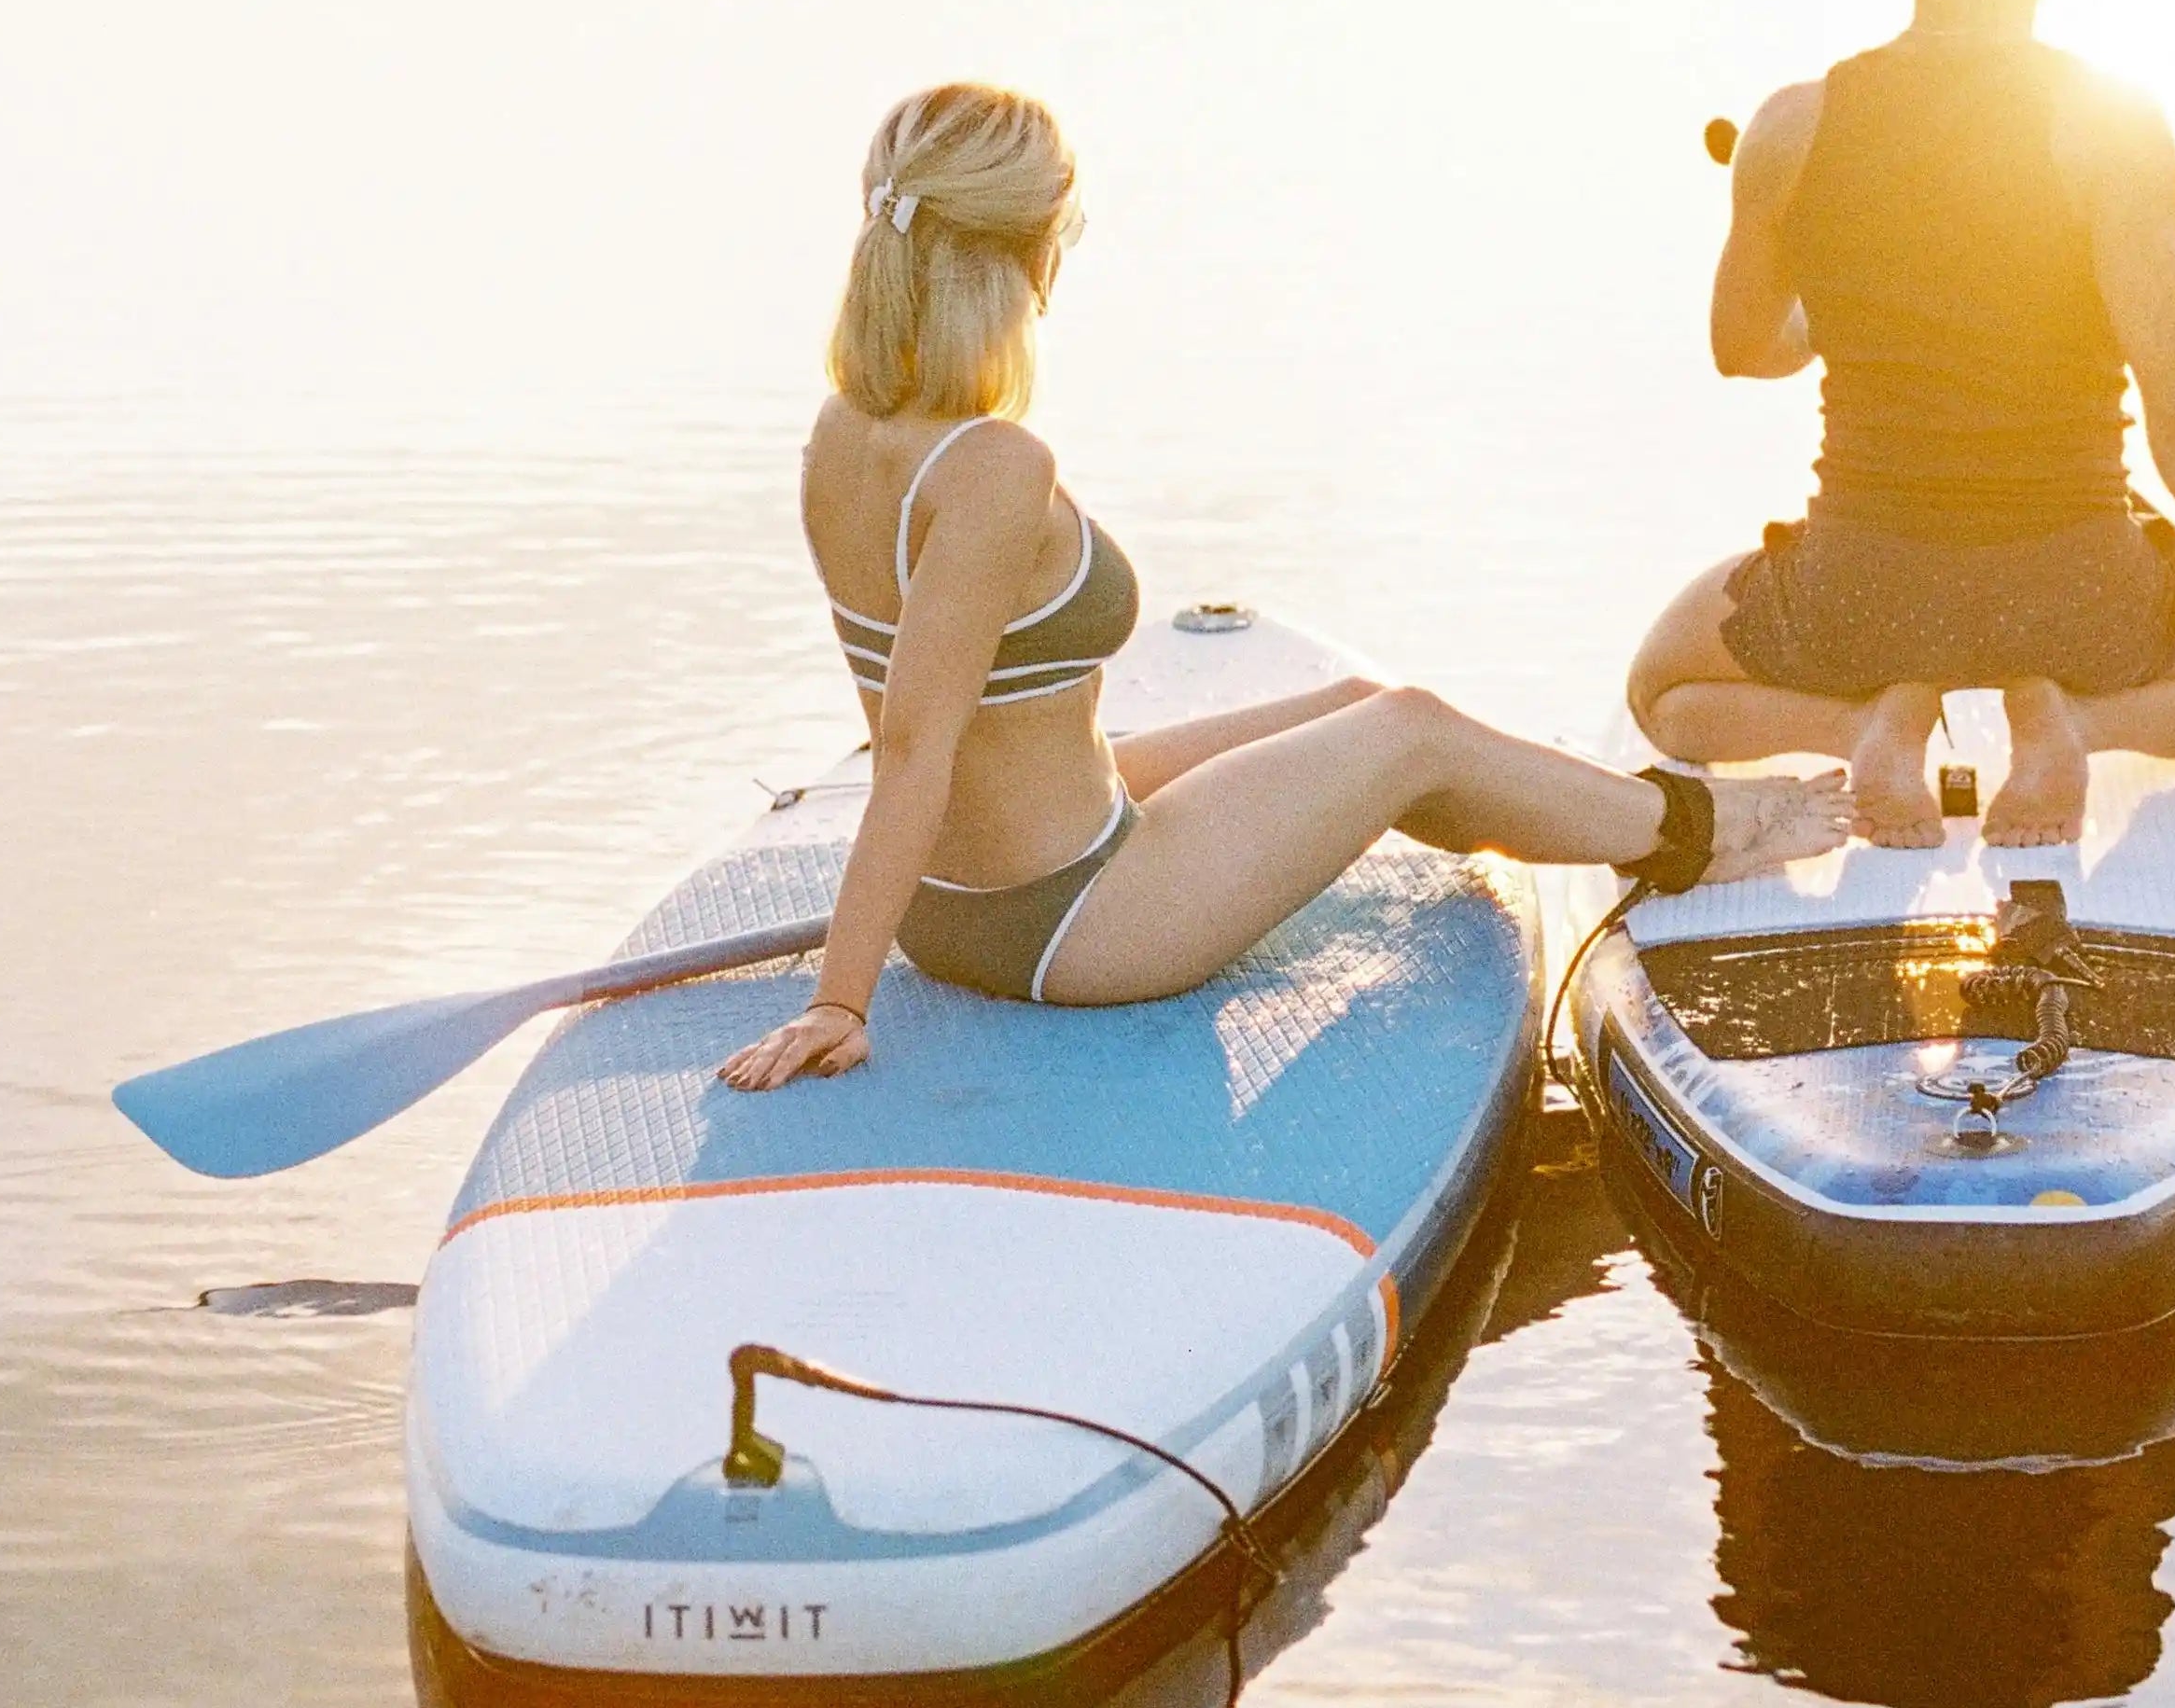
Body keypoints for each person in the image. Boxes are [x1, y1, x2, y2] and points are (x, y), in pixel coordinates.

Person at [726, 82, 1845, 1088]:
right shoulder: (994, 467)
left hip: (961, 898)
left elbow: (919, 723)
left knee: (1359, 709)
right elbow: (916, 746)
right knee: (1411, 732)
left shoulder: (846, 435)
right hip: (1071, 920)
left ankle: (1597, 808)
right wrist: (840, 1001)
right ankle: (1694, 826)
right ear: (1032, 252)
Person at [1625, 0, 2175, 852]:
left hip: (1862, 586)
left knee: (1664, 687)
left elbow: (1745, 349)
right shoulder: (2111, 127)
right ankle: (2072, 718)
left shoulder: (1791, 127)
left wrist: (1835, 311)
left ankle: (1864, 720)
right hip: (2077, 586)